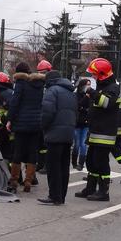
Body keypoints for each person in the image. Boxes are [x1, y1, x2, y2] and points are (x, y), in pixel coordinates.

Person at [75, 58, 120, 202]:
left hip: (105, 133)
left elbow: (106, 103)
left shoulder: (113, 88)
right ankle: (90, 188)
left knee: (101, 162)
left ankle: (103, 191)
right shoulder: (102, 87)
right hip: (95, 130)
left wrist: (92, 92)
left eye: (94, 74)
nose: (93, 77)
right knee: (91, 161)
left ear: (102, 74)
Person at [37, 71, 77, 205]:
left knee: (53, 167)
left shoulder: (52, 91)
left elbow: (47, 112)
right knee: (64, 167)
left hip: (54, 134)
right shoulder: (70, 92)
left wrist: (43, 127)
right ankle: (61, 196)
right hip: (68, 134)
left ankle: (54, 196)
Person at [7, 62, 45, 193]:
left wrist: (10, 120)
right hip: (36, 124)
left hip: (21, 123)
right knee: (32, 152)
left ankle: (13, 181)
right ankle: (28, 181)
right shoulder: (39, 85)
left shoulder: (20, 84)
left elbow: (14, 103)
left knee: (17, 152)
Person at [35, 59, 53, 174]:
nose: (42, 75)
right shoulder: (38, 85)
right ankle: (41, 164)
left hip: (48, 118)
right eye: (40, 73)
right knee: (40, 144)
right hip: (40, 117)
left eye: (44, 72)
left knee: (47, 144)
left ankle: (47, 165)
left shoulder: (51, 86)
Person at [72, 78, 91, 171]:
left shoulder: (89, 95)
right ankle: (74, 162)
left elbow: (90, 107)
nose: (88, 86)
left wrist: (85, 108)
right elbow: (78, 106)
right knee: (76, 144)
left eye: (90, 85)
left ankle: (81, 163)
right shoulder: (76, 95)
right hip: (77, 123)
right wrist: (86, 98)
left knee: (83, 144)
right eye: (87, 84)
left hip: (86, 123)